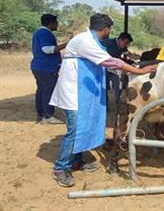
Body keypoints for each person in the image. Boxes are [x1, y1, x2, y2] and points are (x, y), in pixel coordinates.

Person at [49, 13, 156, 187]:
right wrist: (140, 72)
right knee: (75, 129)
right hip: (73, 92)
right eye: (109, 29)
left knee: (84, 124)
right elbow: (110, 62)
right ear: (106, 29)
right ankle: (60, 168)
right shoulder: (85, 41)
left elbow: (110, 63)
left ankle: (77, 160)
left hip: (83, 92)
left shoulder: (91, 41)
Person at [31, 14, 68, 124]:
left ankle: (41, 114)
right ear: (50, 23)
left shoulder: (40, 32)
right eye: (56, 22)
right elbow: (47, 49)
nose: (58, 24)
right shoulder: (44, 33)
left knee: (42, 90)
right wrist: (67, 44)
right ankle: (47, 116)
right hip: (46, 68)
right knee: (49, 91)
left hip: (39, 67)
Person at [102, 32, 134, 103]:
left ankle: (118, 101)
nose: (126, 45)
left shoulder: (123, 47)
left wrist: (138, 58)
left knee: (118, 85)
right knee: (104, 87)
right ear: (120, 39)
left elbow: (129, 55)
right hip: (104, 69)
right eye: (126, 43)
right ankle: (105, 104)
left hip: (114, 69)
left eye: (128, 44)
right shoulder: (108, 43)